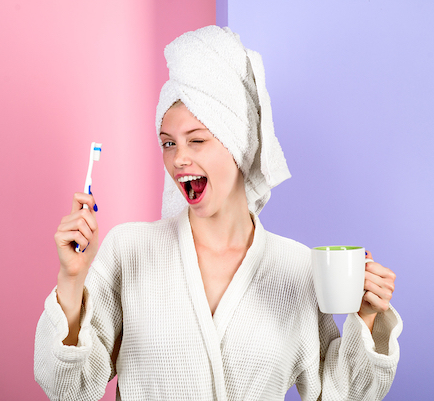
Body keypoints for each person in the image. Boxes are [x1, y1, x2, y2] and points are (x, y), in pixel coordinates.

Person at [34, 26, 402, 401]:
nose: (179, 159)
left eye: (197, 140)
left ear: (239, 143)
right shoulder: (129, 250)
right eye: (168, 143)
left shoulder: (297, 269)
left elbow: (339, 396)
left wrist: (367, 316)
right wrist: (72, 280)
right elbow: (71, 390)